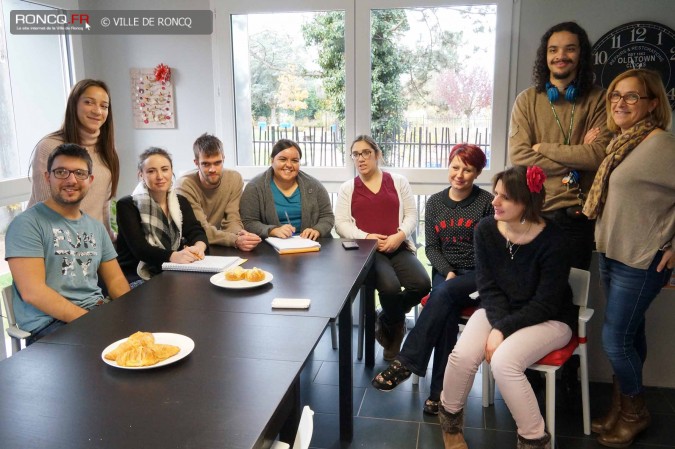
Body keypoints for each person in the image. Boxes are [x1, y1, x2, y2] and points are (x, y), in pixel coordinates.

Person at [438, 166, 577, 449]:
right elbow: (488, 286)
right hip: (501, 308)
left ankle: (534, 440)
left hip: (549, 319)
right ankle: (451, 425)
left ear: (526, 202)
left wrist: (501, 329)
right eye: (496, 193)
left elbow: (546, 303)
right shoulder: (486, 230)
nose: (494, 202)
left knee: (504, 363)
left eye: (505, 197)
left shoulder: (555, 239)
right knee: (462, 355)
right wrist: (500, 324)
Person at [582, 69, 675, 448]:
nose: (620, 102)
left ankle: (636, 412)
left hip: (643, 255)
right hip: (613, 250)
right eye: (616, 96)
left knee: (615, 339)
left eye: (632, 96)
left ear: (653, 103)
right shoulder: (623, 143)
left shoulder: (662, 145)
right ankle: (622, 408)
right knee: (630, 333)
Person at [371, 143, 494, 415]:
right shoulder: (436, 202)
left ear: (477, 173)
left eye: (468, 169)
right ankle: (439, 393)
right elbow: (432, 247)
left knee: (441, 296)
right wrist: (448, 272)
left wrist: (457, 277)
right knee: (445, 310)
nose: (459, 174)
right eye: (455, 167)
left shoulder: (486, 203)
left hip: (478, 275)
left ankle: (406, 361)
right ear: (448, 166)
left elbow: (490, 250)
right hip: (446, 271)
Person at [509, 22, 612, 270]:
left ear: (581, 55)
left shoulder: (599, 99)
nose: (560, 56)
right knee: (532, 294)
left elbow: (598, 155)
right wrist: (578, 154)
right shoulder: (527, 100)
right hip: (534, 213)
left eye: (570, 49)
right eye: (553, 50)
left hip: (577, 216)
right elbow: (519, 155)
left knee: (571, 301)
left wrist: (542, 147)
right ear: (545, 56)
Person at [5, 144, 130, 345]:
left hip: (94, 313)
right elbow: (33, 292)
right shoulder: (27, 224)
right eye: (61, 172)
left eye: (80, 173)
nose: (71, 180)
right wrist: (91, 321)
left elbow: (115, 281)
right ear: (48, 177)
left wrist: (129, 316)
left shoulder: (95, 227)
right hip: (49, 325)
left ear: (90, 180)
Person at [335, 135, 431, 360]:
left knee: (422, 284)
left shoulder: (398, 181)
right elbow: (341, 224)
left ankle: (387, 318)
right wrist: (367, 237)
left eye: (366, 152)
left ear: (377, 155)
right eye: (356, 154)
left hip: (397, 246)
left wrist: (399, 236)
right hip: (368, 251)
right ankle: (396, 331)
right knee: (390, 288)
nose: (361, 158)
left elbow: (411, 215)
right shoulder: (348, 188)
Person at [28, 79, 120, 239]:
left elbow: (103, 206)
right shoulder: (49, 146)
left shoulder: (108, 152)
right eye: (89, 102)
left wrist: (109, 244)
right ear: (74, 104)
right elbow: (44, 206)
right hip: (53, 244)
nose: (97, 111)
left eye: (104, 106)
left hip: (91, 244)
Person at [116, 147, 209, 285]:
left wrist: (199, 247)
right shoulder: (127, 205)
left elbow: (196, 231)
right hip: (136, 274)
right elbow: (140, 249)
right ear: (141, 175)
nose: (160, 176)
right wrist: (174, 256)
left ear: (171, 171)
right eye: (151, 171)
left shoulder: (180, 202)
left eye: (165, 169)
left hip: (173, 270)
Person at [176, 133, 261, 251]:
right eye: (206, 164)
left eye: (217, 163)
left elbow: (232, 218)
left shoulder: (234, 178)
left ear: (223, 159)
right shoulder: (185, 185)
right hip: (193, 244)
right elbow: (200, 228)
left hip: (218, 241)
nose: (212, 169)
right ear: (196, 163)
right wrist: (234, 240)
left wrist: (240, 235)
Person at [240, 139, 335, 240]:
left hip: (311, 245)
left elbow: (327, 216)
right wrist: (272, 230)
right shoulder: (255, 187)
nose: (289, 165)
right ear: (272, 161)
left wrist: (317, 230)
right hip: (270, 248)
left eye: (295, 161)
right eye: (283, 159)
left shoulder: (315, 186)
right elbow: (248, 222)